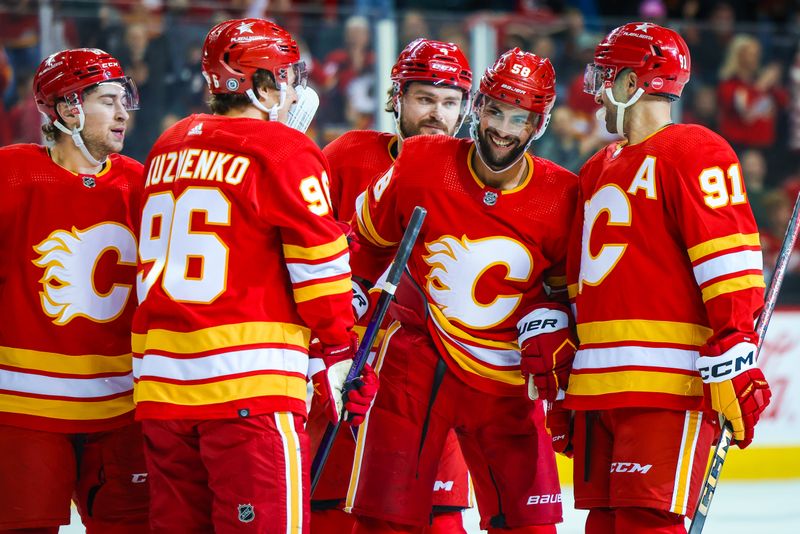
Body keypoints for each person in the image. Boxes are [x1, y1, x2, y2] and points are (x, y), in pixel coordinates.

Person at [132, 18, 378, 532]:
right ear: (263, 85)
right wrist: (336, 351)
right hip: (247, 393)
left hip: (160, 389)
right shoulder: (284, 151)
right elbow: (321, 272)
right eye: (286, 76)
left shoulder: (166, 145)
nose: (294, 89)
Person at [346, 48, 579, 534]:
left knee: (530, 525)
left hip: (508, 377)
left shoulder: (564, 194)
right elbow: (363, 249)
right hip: (417, 363)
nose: (503, 128)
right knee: (384, 521)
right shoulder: (421, 161)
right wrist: (347, 329)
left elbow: (565, 294)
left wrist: (556, 329)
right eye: (495, 109)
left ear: (540, 124)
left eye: (520, 117)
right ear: (478, 107)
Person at [567, 22, 773, 533]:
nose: (595, 91)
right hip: (599, 386)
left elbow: (730, 262)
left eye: (606, 77)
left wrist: (734, 350)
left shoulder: (695, 150)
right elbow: (579, 281)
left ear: (632, 83)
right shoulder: (595, 168)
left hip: (668, 384)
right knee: (604, 522)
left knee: (645, 521)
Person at [311, 38, 475, 534]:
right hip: (347, 370)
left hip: (429, 371)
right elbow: (305, 260)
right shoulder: (347, 157)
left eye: (449, 103)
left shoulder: (473, 173)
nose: (436, 114)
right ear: (396, 98)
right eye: (425, 99)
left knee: (436, 518)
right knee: (330, 511)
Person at [0, 48, 149, 532]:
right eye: (108, 100)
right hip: (25, 406)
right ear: (68, 108)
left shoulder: (139, 181)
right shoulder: (13, 174)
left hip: (121, 404)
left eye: (123, 99)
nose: (123, 112)